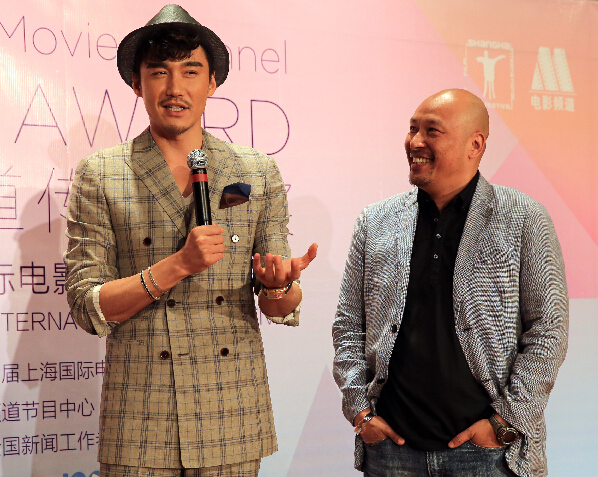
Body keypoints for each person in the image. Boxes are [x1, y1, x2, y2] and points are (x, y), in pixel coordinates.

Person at [64, 4, 317, 477]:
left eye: (191, 71)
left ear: (212, 82)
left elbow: (280, 307)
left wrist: (279, 285)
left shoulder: (255, 170)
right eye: (159, 72)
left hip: (232, 412)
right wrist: (178, 264)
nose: (175, 88)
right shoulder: (101, 174)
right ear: (137, 83)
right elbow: (86, 305)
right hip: (141, 417)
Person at [332, 89, 568, 477]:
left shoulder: (525, 218)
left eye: (432, 130)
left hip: (491, 456)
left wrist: (506, 422)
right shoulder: (374, 222)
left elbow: (549, 330)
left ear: (475, 145)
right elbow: (347, 326)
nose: (415, 142)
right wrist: (360, 411)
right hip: (392, 454)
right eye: (412, 129)